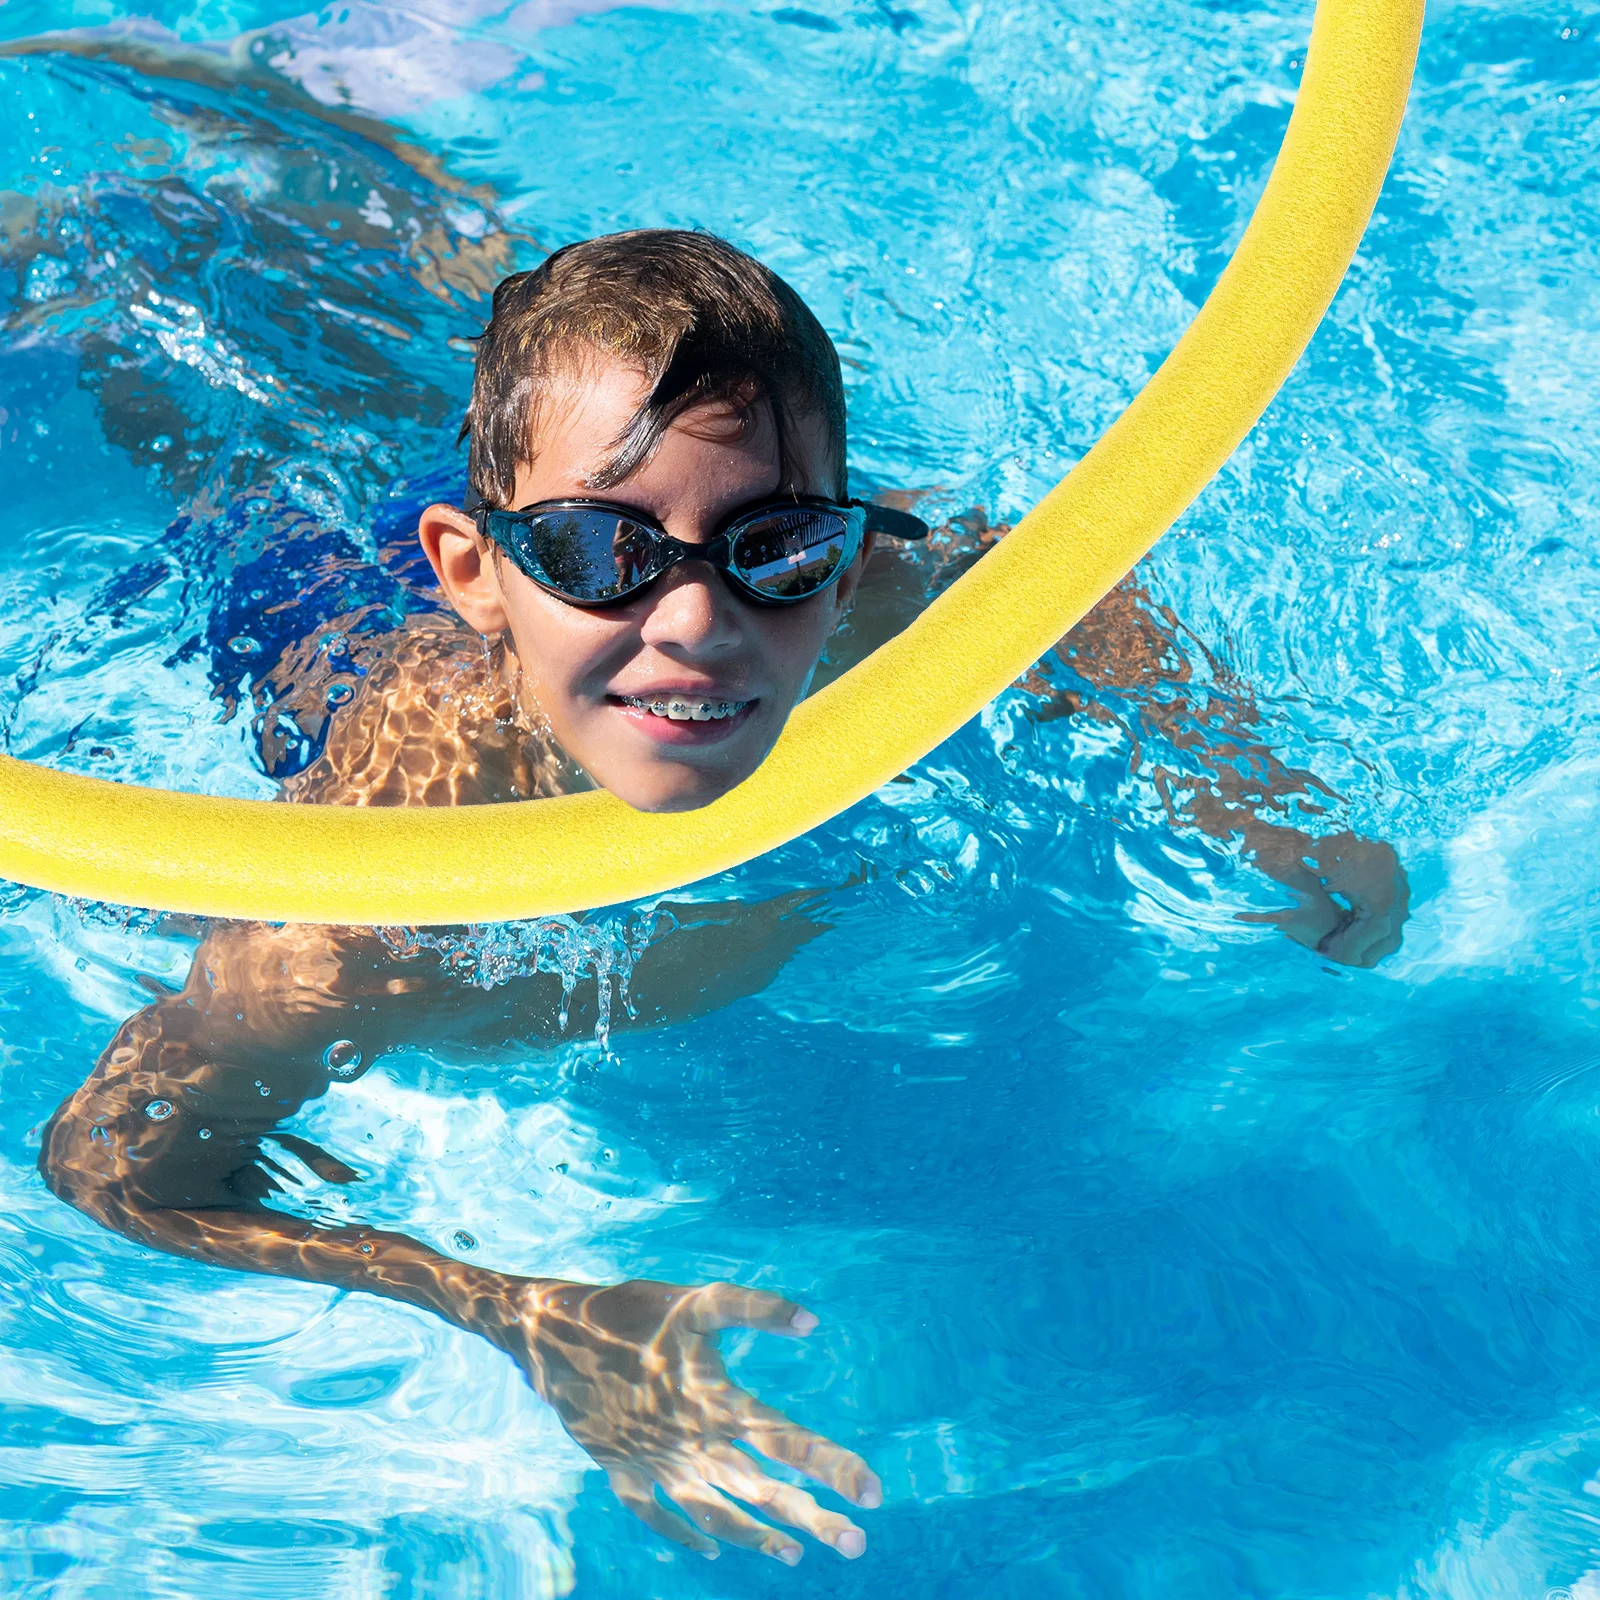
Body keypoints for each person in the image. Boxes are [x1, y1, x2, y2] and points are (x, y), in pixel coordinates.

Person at [39, 230, 1408, 1569]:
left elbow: (1039, 583)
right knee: (199, 405)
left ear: (849, 556)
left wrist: (1260, 797)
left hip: (540, 488)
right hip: (313, 591)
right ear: (482, 574)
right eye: (602, 555)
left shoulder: (871, 594)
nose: (698, 620)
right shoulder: (361, 935)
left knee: (472, 363)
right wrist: (514, 1309)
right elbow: (107, 1167)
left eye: (782, 547)